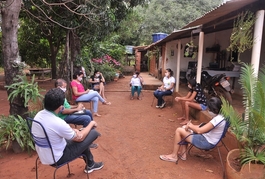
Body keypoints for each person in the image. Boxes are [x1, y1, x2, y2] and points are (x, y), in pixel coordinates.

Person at [32, 88, 104, 174]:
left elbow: (54, 130)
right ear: (61, 107)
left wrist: (75, 131)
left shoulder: (38, 115)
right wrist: (91, 124)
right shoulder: (58, 122)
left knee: (80, 134)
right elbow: (80, 138)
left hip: (44, 154)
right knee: (92, 133)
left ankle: (90, 163)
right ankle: (91, 164)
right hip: (58, 158)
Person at [159, 97, 226, 162]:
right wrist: (191, 126)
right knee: (185, 128)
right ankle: (183, 154)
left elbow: (199, 131)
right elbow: (203, 128)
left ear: (215, 110)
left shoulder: (217, 120)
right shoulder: (222, 117)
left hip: (206, 142)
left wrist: (190, 125)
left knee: (179, 130)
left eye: (209, 109)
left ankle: (174, 156)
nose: (208, 110)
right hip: (208, 137)